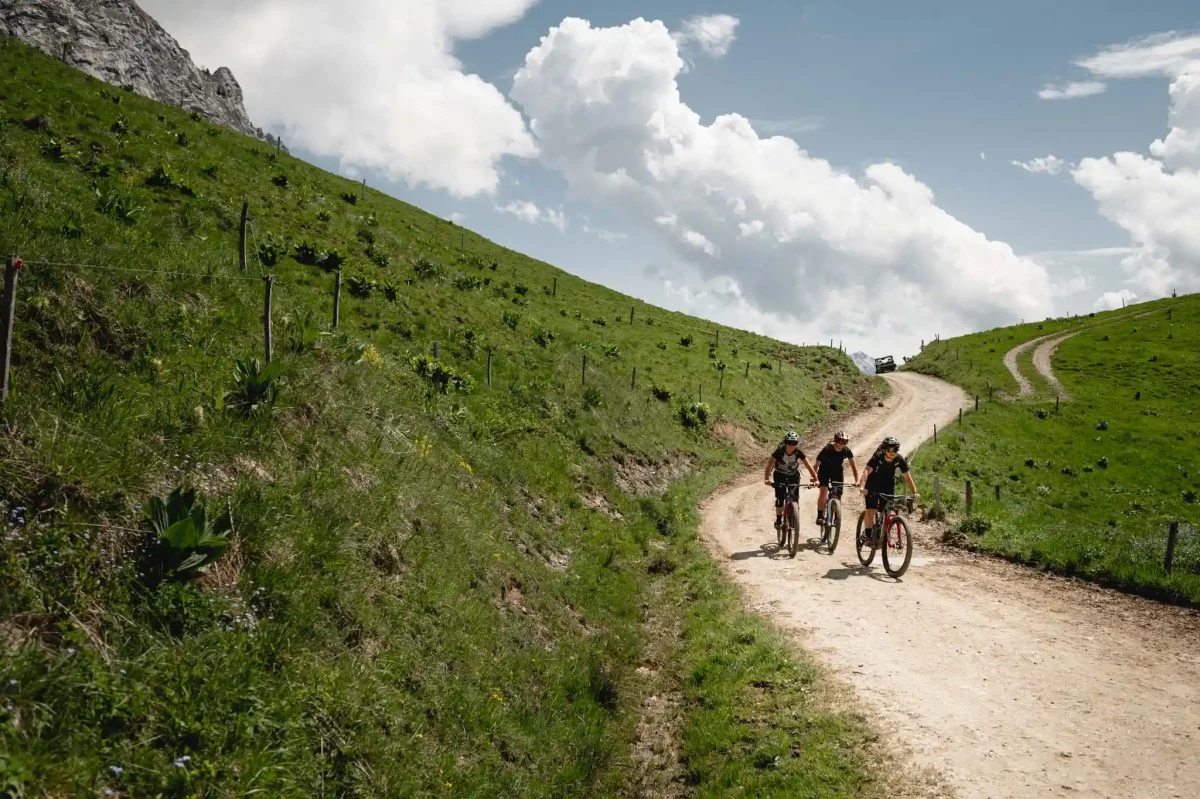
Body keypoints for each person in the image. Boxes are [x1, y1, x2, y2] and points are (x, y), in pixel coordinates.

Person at [857, 436, 918, 539]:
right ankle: (868, 536)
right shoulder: (877, 456)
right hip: (873, 484)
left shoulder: (899, 459)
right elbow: (866, 471)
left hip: (888, 485)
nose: (892, 452)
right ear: (885, 449)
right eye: (890, 449)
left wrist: (914, 492)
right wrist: (862, 487)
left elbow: (907, 477)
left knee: (887, 510)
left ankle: (883, 534)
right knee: (871, 510)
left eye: (895, 449)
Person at [763, 431, 818, 529]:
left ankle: (794, 517)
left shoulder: (798, 452)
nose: (792, 445)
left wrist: (815, 478)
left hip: (793, 476)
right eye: (789, 443)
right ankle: (779, 520)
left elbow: (808, 464)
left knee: (795, 498)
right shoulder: (779, 451)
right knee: (780, 498)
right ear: (785, 442)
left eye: (794, 443)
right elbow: (769, 465)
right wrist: (767, 479)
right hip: (780, 475)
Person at [814, 431, 858, 524]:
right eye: (840, 441)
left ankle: (836, 516)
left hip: (837, 472)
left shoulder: (846, 450)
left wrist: (857, 480)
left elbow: (854, 467)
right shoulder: (827, 449)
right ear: (836, 440)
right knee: (823, 491)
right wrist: (814, 478)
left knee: (838, 494)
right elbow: (817, 463)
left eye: (845, 442)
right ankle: (820, 516)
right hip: (824, 471)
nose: (842, 444)